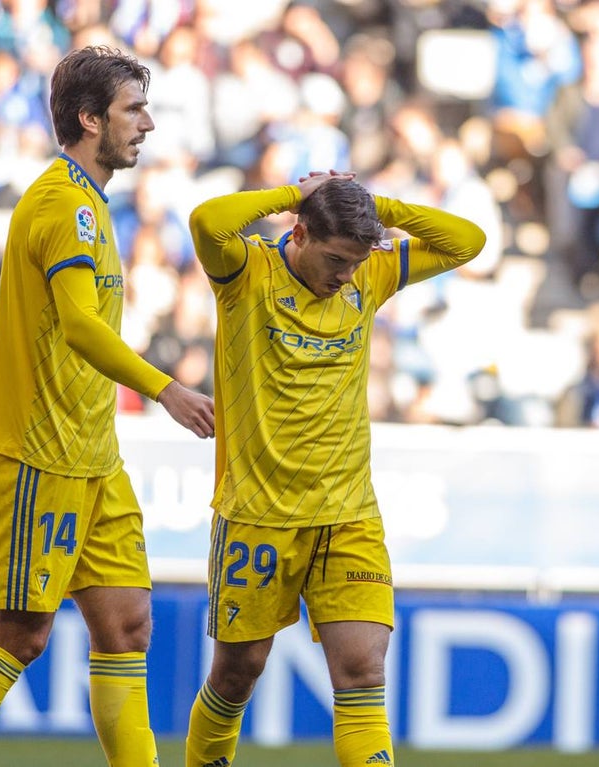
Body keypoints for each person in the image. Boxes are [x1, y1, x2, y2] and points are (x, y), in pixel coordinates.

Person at [0, 46, 215, 767]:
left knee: (127, 624)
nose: (146, 124)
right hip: (39, 455)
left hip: (93, 456)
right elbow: (81, 325)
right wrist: (165, 389)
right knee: (19, 633)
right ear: (89, 119)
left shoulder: (91, 203)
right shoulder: (61, 202)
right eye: (132, 110)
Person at [184, 169, 486, 767]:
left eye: (355, 260)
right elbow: (206, 221)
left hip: (347, 516)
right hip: (258, 514)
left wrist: (381, 208)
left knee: (362, 670)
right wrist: (295, 192)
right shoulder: (245, 272)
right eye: (335, 258)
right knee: (236, 674)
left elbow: (468, 241)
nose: (345, 274)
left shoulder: (370, 273)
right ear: (298, 233)